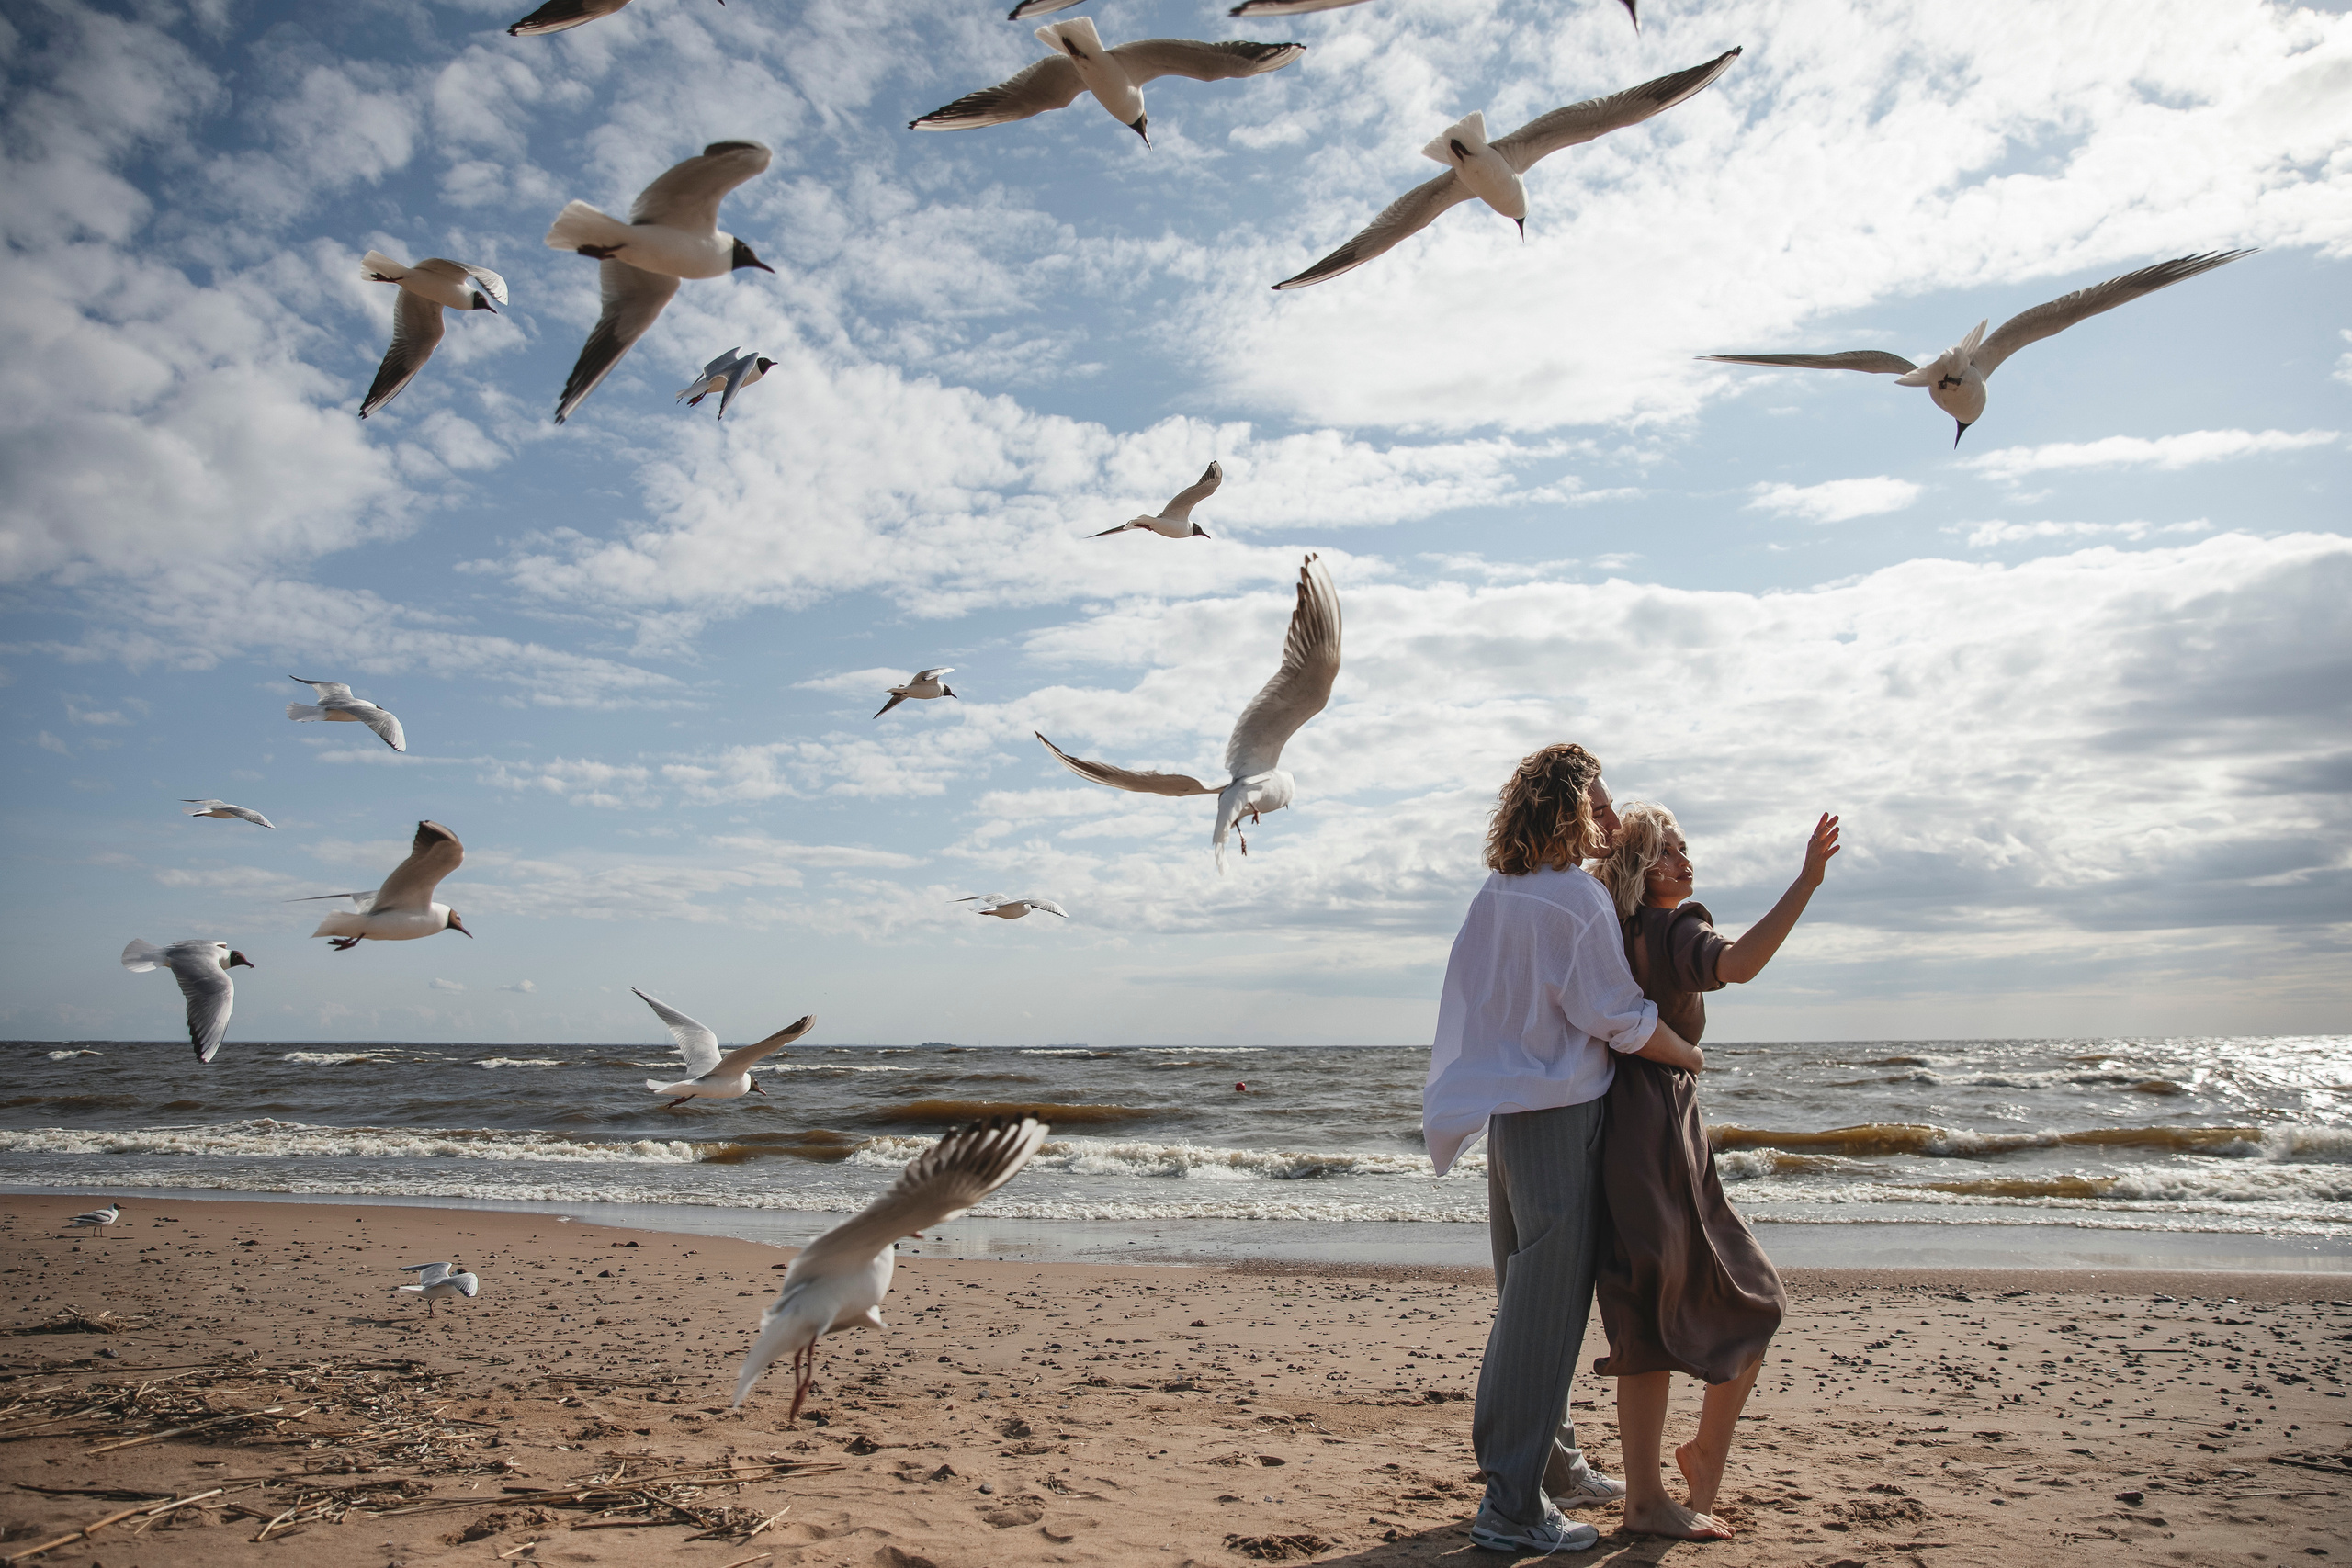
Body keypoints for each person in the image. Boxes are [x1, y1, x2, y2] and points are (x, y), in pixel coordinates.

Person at [1421, 743, 1706, 1555]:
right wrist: (1688, 1054)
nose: (1613, 821)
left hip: (1508, 1119)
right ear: (1571, 809)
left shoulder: (1495, 893)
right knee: (1543, 1314)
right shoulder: (1577, 896)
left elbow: (1480, 1003)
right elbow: (1616, 1015)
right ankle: (1510, 1503)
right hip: (1555, 1117)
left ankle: (1553, 1463)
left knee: (1524, 1298)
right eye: (1603, 805)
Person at [1589, 802, 1839, 1539]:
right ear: (1642, 866)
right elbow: (1739, 965)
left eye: (1685, 848)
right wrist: (1806, 883)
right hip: (1660, 1137)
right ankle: (1699, 1461)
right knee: (1756, 1296)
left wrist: (1611, 813)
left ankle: (1647, 1495)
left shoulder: (1616, 927)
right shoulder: (1673, 928)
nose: (1683, 860)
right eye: (1667, 851)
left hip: (1617, 1131)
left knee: (1641, 1310)